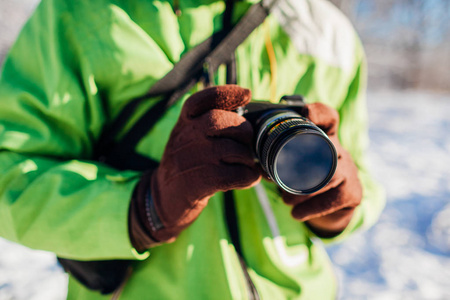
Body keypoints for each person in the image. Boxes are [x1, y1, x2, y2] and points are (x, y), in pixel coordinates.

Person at [0, 0, 385, 299]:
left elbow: (364, 177)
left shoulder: (329, 35)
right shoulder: (84, 12)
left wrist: (340, 204)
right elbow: (10, 175)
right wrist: (143, 208)